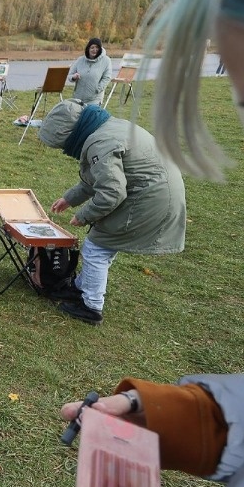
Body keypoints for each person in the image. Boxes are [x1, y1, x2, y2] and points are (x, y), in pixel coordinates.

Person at [51, 0, 244, 487]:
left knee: (102, 248)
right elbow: (91, 179)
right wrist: (154, 410)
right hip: (151, 196)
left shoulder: (101, 141)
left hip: (152, 207)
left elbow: (106, 191)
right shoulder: (101, 132)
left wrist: (85, 222)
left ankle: (91, 304)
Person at [37, 99, 186, 325]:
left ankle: (91, 306)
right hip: (156, 192)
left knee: (97, 248)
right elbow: (98, 178)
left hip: (150, 199)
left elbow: (111, 192)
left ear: (71, 135)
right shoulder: (106, 127)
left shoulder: (101, 142)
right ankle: (81, 288)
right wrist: (69, 199)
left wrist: (84, 215)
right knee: (103, 244)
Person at [68, 37, 113, 106]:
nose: (94, 50)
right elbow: (70, 75)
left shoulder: (106, 61)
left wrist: (97, 89)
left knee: (90, 116)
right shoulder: (80, 60)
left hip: (94, 100)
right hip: (78, 99)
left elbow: (107, 78)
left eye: (97, 47)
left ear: (100, 49)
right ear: (88, 49)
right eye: (92, 47)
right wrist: (74, 77)